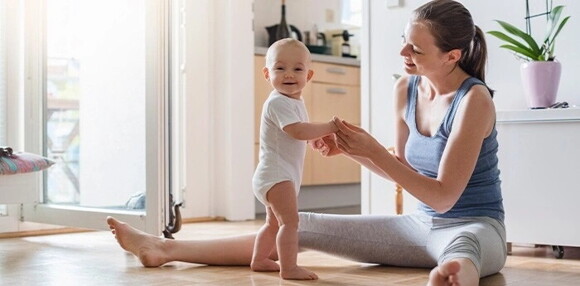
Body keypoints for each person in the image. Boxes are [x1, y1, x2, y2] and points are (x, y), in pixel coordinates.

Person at [106, 1, 506, 285]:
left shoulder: (475, 101)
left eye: (415, 49)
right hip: (416, 228)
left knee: (463, 245)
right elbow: (403, 169)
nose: (402, 52)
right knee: (294, 225)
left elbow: (442, 198)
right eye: (404, 40)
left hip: (474, 225)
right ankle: (162, 249)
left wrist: (368, 148)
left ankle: (454, 278)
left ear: (452, 56)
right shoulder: (406, 88)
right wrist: (354, 150)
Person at [250, 38, 336, 280]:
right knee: (290, 222)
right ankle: (289, 268)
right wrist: (329, 127)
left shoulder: (294, 101)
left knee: (273, 224)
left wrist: (314, 139)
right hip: (277, 176)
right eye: (280, 68)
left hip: (274, 174)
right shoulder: (278, 102)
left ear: (308, 75)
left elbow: (300, 131)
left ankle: (259, 259)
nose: (289, 75)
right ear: (267, 74)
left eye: (297, 69)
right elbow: (297, 131)